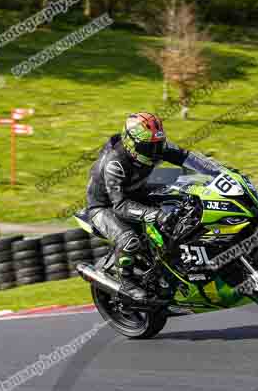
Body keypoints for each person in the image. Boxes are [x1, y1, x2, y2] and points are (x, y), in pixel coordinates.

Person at [85, 112, 222, 300]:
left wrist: (218, 172)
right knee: (129, 239)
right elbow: (120, 205)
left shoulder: (155, 145)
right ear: (132, 144)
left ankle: (183, 262)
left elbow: (186, 156)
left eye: (158, 144)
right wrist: (156, 214)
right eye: (150, 146)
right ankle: (127, 282)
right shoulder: (114, 163)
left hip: (138, 191)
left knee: (185, 202)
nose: (156, 151)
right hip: (105, 206)